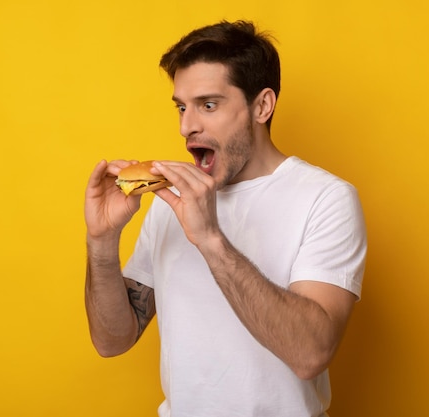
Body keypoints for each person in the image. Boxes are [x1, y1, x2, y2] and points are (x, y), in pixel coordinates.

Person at [84, 20, 367, 417]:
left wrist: (211, 239)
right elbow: (112, 341)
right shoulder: (168, 200)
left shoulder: (325, 199)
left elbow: (310, 354)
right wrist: (102, 240)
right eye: (182, 107)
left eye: (208, 105)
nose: (187, 126)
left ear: (262, 106)